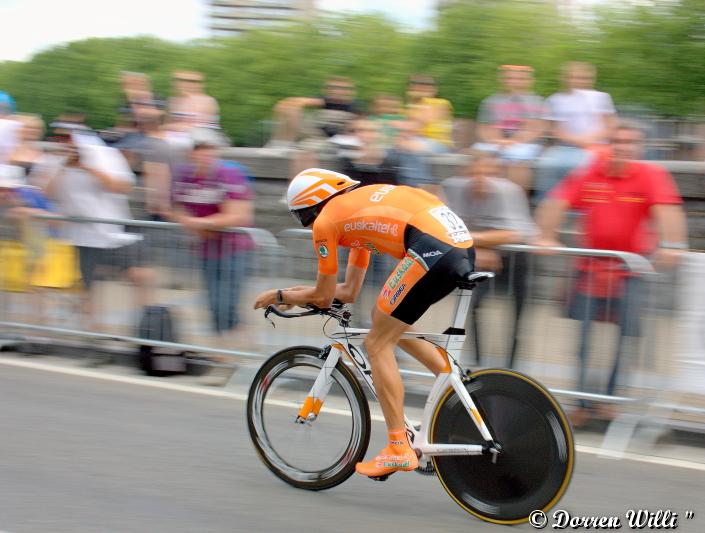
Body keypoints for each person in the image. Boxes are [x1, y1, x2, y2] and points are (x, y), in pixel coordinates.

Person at [253, 168, 475, 478]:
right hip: (457, 248)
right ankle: (456, 387)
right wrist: (300, 296)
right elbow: (347, 292)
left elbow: (323, 295)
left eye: (301, 216)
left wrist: (282, 294)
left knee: (376, 341)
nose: (305, 223)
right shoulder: (356, 214)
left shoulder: (326, 221)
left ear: (310, 207)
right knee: (387, 323)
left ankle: (398, 448)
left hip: (432, 249)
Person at [534, 119, 688, 426]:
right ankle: (581, 404)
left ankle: (610, 401)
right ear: (609, 145)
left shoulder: (650, 175)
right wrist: (545, 234)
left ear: (639, 147)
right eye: (617, 142)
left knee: (625, 340)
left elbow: (668, 210)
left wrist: (672, 244)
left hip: (630, 272)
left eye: (629, 143)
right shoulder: (590, 173)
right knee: (584, 342)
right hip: (590, 271)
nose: (622, 148)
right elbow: (556, 201)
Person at [44, 124, 153, 330]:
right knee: (89, 286)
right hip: (81, 234)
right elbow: (46, 193)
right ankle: (95, 332)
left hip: (113, 229)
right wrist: (63, 167)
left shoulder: (106, 156)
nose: (65, 145)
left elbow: (122, 187)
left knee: (139, 274)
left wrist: (88, 168)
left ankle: (147, 325)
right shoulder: (57, 162)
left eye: (69, 140)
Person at [170, 128, 254, 380]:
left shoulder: (229, 173)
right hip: (206, 249)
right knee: (214, 304)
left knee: (225, 303)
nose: (204, 154)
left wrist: (201, 224)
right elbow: (173, 207)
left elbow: (240, 214)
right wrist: (188, 220)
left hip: (235, 248)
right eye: (198, 149)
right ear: (191, 152)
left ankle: (226, 360)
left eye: (209, 149)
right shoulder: (184, 176)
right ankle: (233, 351)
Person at [442, 149, 535, 367]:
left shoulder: (508, 192)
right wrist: (480, 247)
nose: (482, 178)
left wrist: (476, 240)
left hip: (516, 257)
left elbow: (514, 233)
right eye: (477, 172)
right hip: (482, 255)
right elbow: (449, 228)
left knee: (516, 316)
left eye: (489, 172)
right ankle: (479, 360)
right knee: (473, 305)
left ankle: (511, 366)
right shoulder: (458, 189)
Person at [535, 62, 616, 200]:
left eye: (585, 78)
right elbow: (554, 129)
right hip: (565, 146)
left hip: (597, 146)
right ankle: (548, 204)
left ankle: (585, 208)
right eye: (575, 77)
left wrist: (590, 139)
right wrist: (577, 140)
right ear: (566, 79)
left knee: (588, 165)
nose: (580, 81)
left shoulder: (601, 98)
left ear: (592, 79)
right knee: (548, 165)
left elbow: (611, 125)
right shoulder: (555, 100)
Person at [475, 65, 546, 190]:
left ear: (530, 81)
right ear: (502, 80)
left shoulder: (537, 102)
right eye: (510, 78)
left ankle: (516, 200)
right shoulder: (491, 101)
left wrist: (513, 141)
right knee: (480, 158)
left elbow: (536, 128)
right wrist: (497, 140)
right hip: (496, 142)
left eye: (520, 79)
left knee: (517, 161)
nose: (515, 82)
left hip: (525, 143)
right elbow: (484, 127)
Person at [267, 76, 360, 150]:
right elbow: (295, 102)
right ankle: (282, 143)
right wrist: (282, 106)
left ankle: (287, 145)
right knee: (290, 109)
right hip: (318, 134)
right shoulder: (323, 100)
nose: (338, 91)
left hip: (338, 140)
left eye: (342, 88)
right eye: (333, 87)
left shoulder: (353, 106)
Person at [405, 74, 454, 153]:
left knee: (410, 146)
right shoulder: (409, 108)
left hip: (438, 143)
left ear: (434, 89)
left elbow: (422, 121)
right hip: (415, 141)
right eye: (416, 84)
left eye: (426, 85)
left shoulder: (442, 103)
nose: (420, 87)